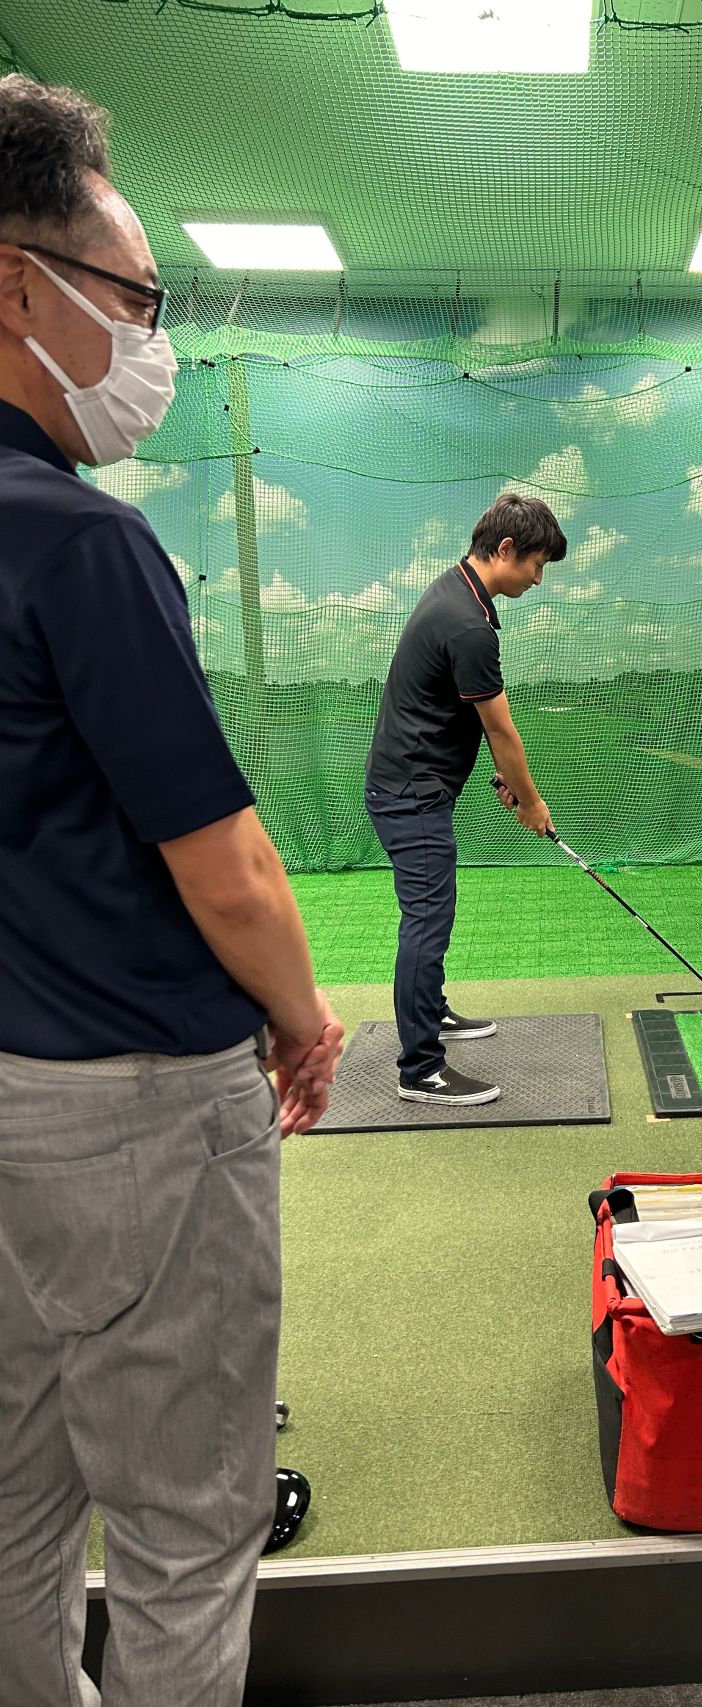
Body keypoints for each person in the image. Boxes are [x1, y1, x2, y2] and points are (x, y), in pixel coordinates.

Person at [0, 74, 343, 1707]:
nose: (156, 338)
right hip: (127, 1094)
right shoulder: (81, 542)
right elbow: (232, 868)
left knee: (12, 1492)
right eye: (135, 298)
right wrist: (303, 1019)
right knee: (187, 1523)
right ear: (20, 287)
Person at [365, 493, 566, 1106]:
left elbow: (455, 709)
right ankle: (420, 1069)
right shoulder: (468, 623)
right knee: (427, 922)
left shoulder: (456, 592)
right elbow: (502, 730)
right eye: (536, 564)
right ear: (505, 550)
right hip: (411, 793)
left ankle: (432, 1013)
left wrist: (507, 781)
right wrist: (531, 801)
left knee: (430, 917)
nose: (538, 579)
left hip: (410, 784)